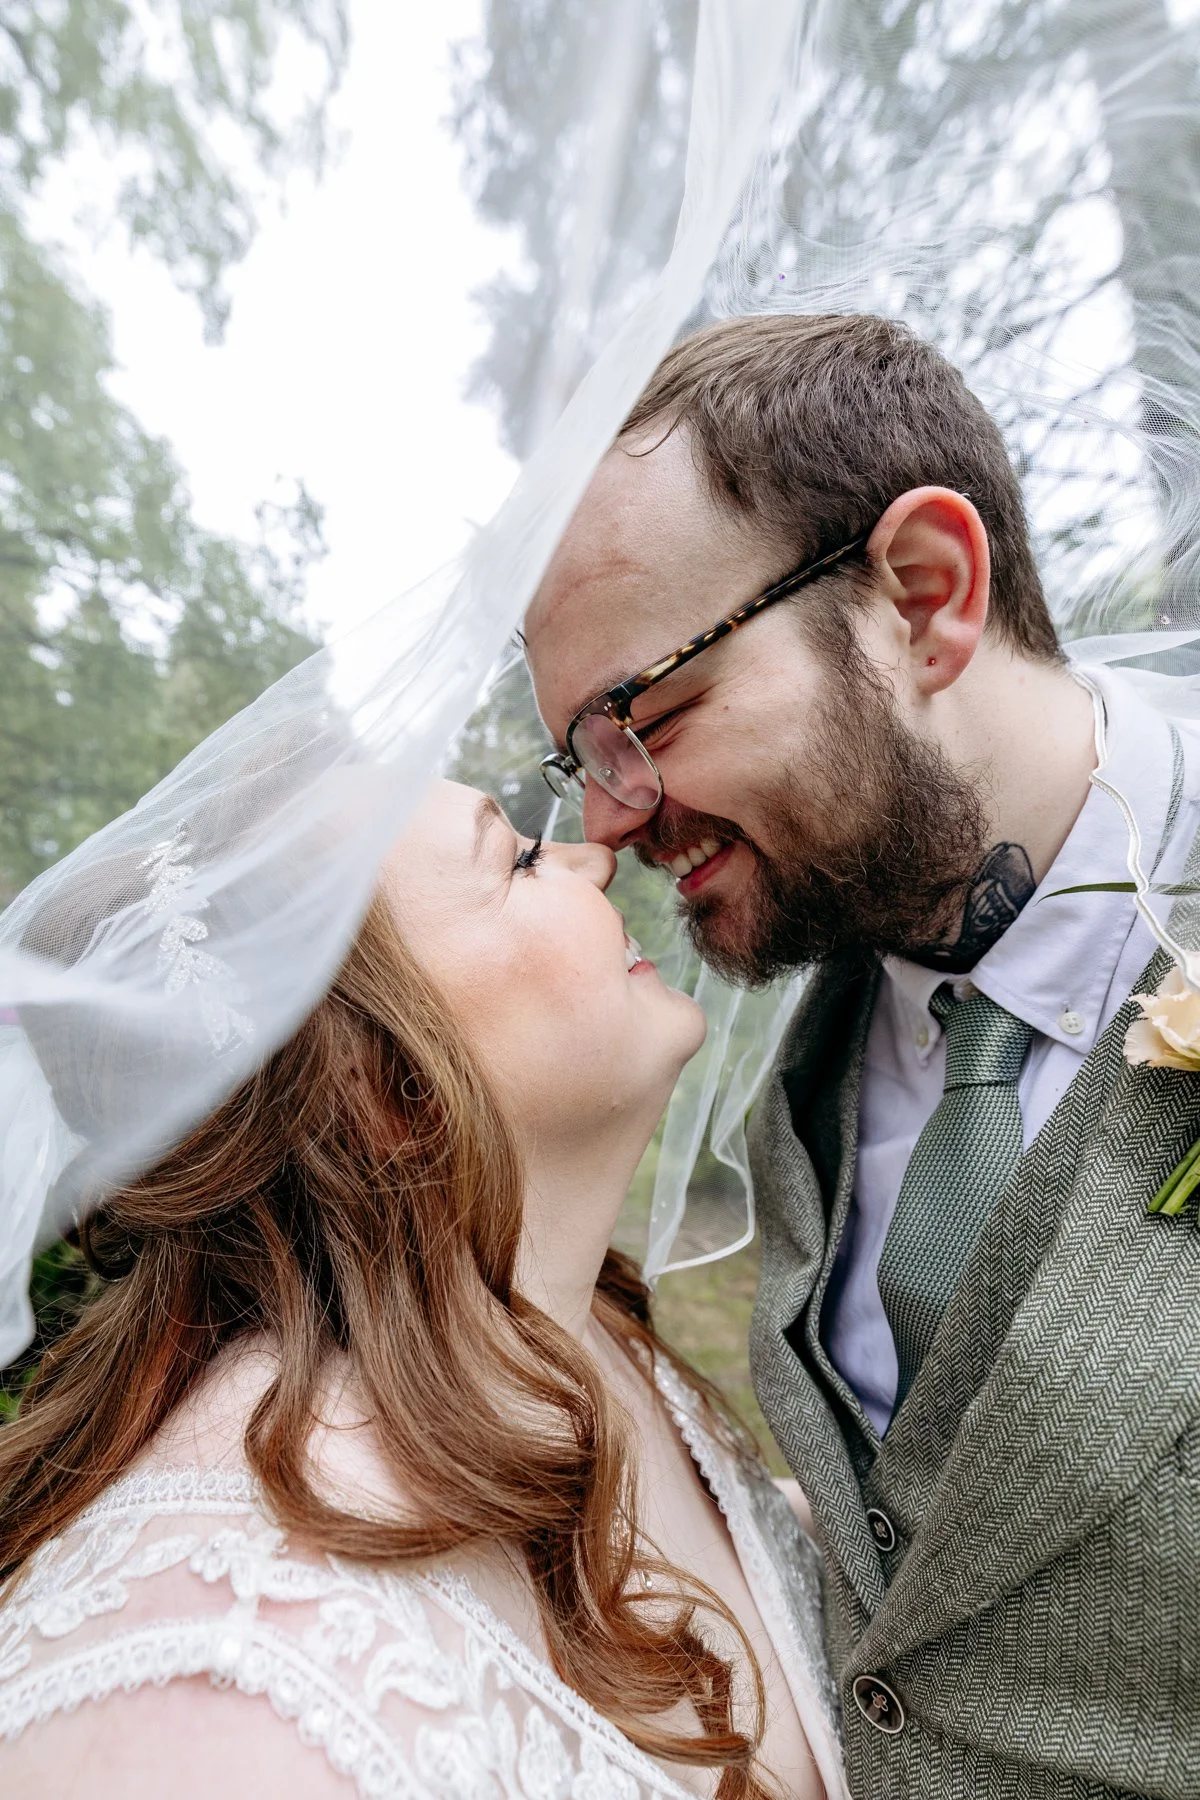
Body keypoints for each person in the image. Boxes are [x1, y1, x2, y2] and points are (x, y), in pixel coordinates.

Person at [525, 311, 1200, 1798]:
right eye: (586, 759)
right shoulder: (799, 1068)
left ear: (923, 594)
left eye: (649, 716)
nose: (611, 826)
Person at [0, 778, 846, 1800]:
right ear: (374, 1081)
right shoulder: (225, 1688)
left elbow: (742, 1583)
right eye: (521, 859)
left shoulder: (580, 1336)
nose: (595, 857)